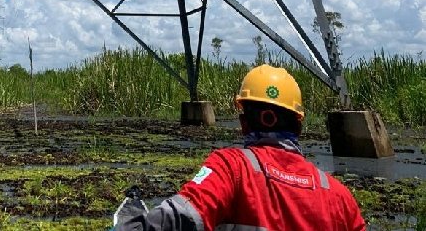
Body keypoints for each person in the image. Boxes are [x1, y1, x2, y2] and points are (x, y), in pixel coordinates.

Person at [114, 64, 365, 231]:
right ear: (299, 127)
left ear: (244, 124)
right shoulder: (339, 196)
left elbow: (181, 218)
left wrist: (130, 222)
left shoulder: (231, 168)